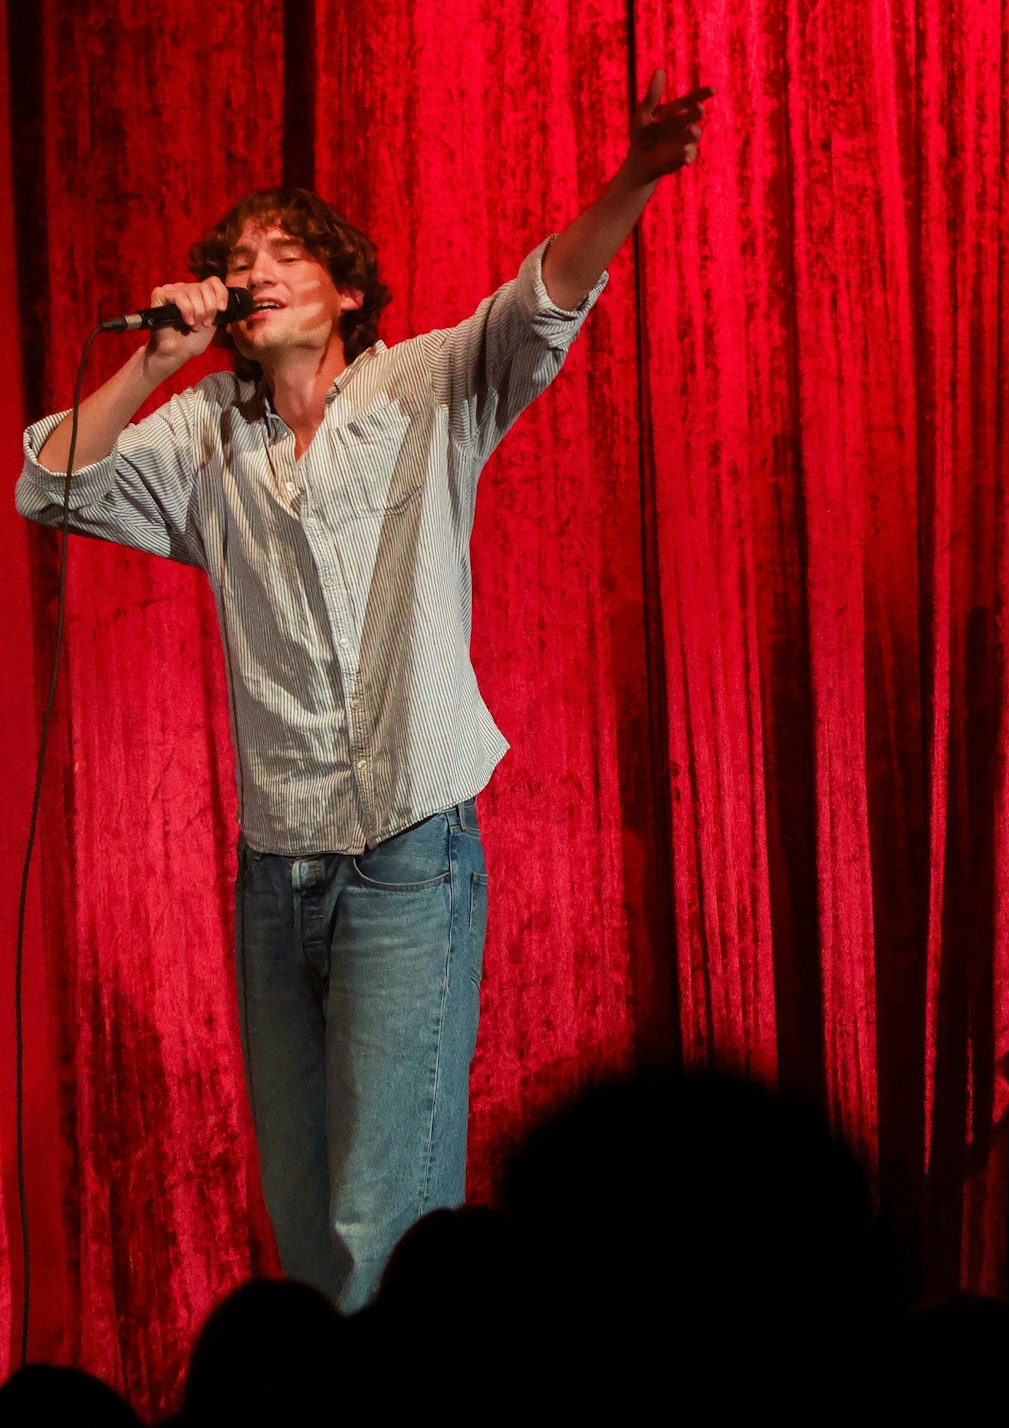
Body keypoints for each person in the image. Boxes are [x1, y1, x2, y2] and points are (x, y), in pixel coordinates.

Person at [14, 73, 713, 1312]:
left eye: (287, 253)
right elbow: (51, 485)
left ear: (345, 289)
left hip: (405, 851)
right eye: (239, 258)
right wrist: (157, 366)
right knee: (304, 1215)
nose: (258, 268)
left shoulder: (422, 390)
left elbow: (541, 300)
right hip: (275, 865)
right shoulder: (200, 437)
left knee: (382, 1218)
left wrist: (635, 176)